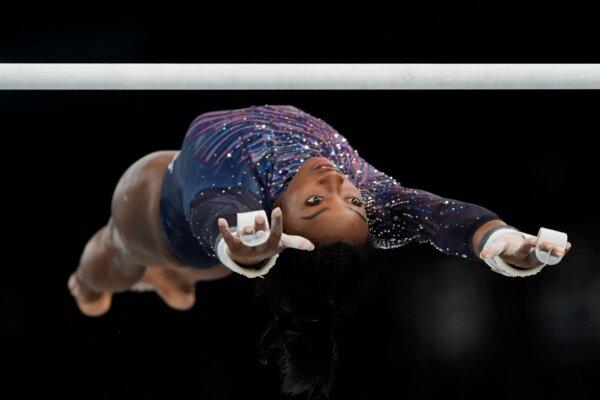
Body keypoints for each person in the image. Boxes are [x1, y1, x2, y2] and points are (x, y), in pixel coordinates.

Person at [68, 104, 571, 398]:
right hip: (220, 253)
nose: (336, 180)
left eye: (314, 202)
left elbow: (216, 206)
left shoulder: (235, 192)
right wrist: (499, 242)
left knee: (109, 262)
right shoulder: (370, 196)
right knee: (202, 268)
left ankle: (92, 282)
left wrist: (243, 252)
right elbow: (434, 216)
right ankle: (179, 278)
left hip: (152, 217)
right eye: (351, 200)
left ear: (277, 223)